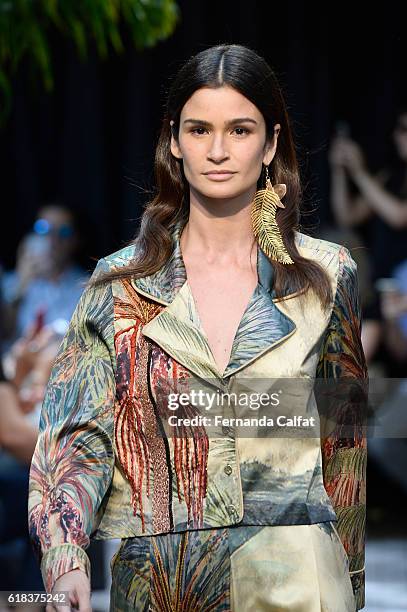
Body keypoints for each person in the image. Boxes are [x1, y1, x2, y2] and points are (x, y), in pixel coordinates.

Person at [28, 44, 368, 611]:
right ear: (174, 143)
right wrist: (65, 556)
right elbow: (76, 434)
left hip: (297, 584)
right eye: (198, 129)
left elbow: (345, 450)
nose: (216, 151)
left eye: (239, 130)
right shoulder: (120, 284)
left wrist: (350, 584)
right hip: (161, 584)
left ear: (271, 145)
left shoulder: (325, 278)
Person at [329, 110, 407, 282]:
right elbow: (347, 217)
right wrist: (339, 170)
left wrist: (358, 172)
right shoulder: (389, 177)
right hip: (384, 279)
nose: (397, 135)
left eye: (404, 129)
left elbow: (400, 216)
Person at [2, 204, 87, 344]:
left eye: (64, 232)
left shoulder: (86, 287)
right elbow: (5, 333)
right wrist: (21, 284)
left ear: (76, 240)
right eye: (43, 228)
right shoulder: (12, 283)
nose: (53, 239)